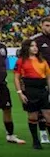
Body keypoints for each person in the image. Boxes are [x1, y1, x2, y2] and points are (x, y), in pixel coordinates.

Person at [13, 37, 50, 150]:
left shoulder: (42, 61)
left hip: (42, 90)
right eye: (32, 46)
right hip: (29, 90)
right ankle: (35, 140)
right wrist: (20, 93)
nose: (35, 48)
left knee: (48, 115)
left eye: (36, 46)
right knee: (33, 116)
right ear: (27, 48)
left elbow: (48, 77)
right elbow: (16, 78)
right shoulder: (21, 61)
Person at [30, 16, 50, 144]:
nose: (49, 28)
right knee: (42, 108)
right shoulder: (35, 40)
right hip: (41, 78)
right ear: (41, 26)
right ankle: (42, 132)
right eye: (47, 25)